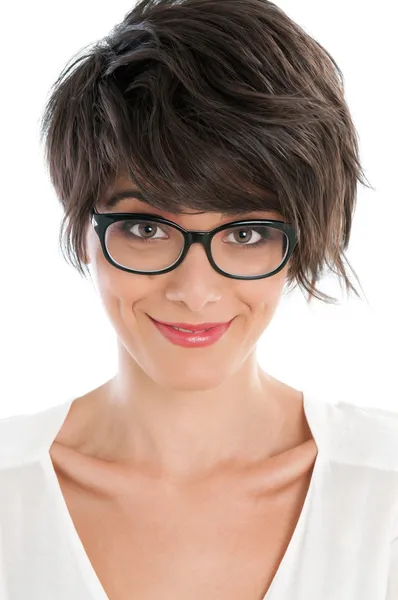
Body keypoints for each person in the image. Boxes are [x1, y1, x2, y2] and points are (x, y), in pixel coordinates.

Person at [1, 0, 397, 598]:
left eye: (245, 234)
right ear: (84, 231)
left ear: (301, 239)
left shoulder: (385, 491)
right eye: (146, 228)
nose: (194, 291)